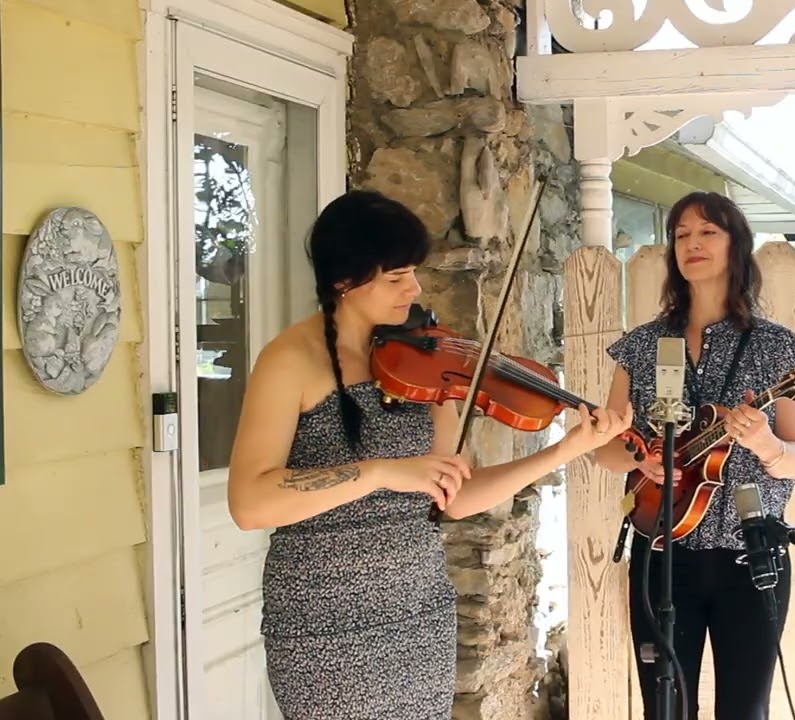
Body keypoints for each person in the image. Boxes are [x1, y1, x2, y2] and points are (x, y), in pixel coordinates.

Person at [225, 189, 633, 720]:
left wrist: (565, 449)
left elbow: (455, 497)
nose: (414, 289)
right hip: (324, 625)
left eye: (413, 272)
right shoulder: (289, 361)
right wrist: (379, 473)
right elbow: (250, 503)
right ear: (344, 282)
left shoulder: (424, 359)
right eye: (395, 278)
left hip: (419, 618)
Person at [592, 191, 795, 720]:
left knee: (745, 710)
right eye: (681, 234)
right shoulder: (640, 346)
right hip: (662, 552)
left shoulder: (780, 349)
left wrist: (763, 443)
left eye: (708, 232)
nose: (692, 243)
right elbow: (604, 448)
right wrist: (638, 460)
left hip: (750, 555)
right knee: (664, 709)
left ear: (736, 245)